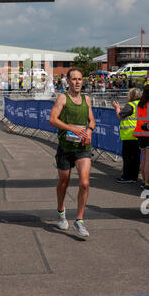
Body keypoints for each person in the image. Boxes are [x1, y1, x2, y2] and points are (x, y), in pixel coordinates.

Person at [49, 67, 96, 238]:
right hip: (65, 148)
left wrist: (89, 131)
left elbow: (92, 121)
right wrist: (72, 129)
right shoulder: (62, 98)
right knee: (64, 181)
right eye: (74, 79)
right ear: (67, 81)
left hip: (83, 149)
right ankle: (61, 211)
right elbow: (52, 120)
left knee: (84, 183)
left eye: (80, 79)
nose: (77, 82)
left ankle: (79, 220)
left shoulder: (87, 99)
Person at [112, 88, 142, 183]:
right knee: (136, 158)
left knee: (128, 157)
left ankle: (127, 177)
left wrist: (117, 108)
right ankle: (134, 177)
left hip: (129, 135)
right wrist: (122, 108)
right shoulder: (141, 104)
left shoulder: (130, 105)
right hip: (139, 134)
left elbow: (120, 116)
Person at [132, 84, 149, 193]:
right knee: (148, 161)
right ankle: (147, 184)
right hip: (148, 134)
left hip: (140, 134)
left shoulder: (140, 104)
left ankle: (144, 181)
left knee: (143, 159)